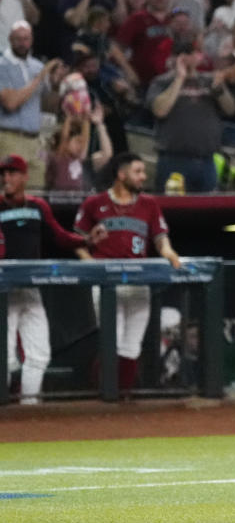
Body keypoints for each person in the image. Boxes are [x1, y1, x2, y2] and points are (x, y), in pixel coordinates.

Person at [74, 152, 181, 393]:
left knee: (132, 345)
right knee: (112, 341)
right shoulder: (94, 203)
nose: (143, 177)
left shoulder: (149, 204)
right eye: (138, 171)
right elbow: (77, 240)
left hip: (138, 279)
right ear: (121, 175)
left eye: (143, 171)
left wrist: (169, 252)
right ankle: (104, 394)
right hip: (107, 281)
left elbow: (160, 237)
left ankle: (122, 397)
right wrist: (90, 262)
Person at [0, 154, 100, 404]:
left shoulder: (38, 206)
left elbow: (59, 236)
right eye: (3, 174)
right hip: (3, 291)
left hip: (31, 290)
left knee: (39, 354)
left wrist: (86, 240)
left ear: (24, 176)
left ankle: (29, 407)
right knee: (6, 358)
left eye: (12, 173)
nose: (6, 178)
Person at [147, 37, 235, 192]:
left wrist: (219, 90)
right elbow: (160, 110)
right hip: (174, 160)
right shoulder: (161, 82)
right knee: (172, 211)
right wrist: (179, 78)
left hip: (207, 160)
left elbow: (230, 109)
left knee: (207, 211)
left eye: (195, 52)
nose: (193, 57)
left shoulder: (210, 80)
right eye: (187, 53)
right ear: (177, 57)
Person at [0, 20, 66, 188]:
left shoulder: (37, 65)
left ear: (32, 40)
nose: (23, 43)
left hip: (35, 139)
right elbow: (11, 103)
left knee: (36, 192)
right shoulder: (2, 66)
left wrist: (56, 84)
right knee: (8, 191)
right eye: (18, 39)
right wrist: (39, 77)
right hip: (10, 137)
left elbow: (48, 106)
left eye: (26, 39)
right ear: (10, 39)